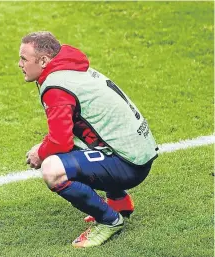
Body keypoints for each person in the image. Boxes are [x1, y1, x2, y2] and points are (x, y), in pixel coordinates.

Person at [19, 31, 158, 248]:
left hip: (130, 165)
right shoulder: (70, 66)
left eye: (24, 59)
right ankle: (119, 201)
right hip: (138, 150)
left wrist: (40, 152)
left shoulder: (56, 87)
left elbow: (59, 142)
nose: (20, 64)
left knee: (52, 169)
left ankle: (109, 220)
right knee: (75, 142)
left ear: (44, 60)